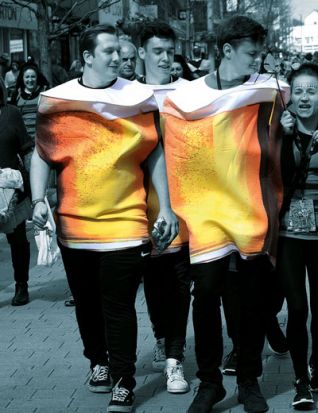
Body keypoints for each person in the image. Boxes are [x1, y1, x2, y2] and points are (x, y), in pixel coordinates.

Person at [30, 24, 178, 413]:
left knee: (118, 304)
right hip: (75, 224)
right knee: (86, 302)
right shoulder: (57, 99)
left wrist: (166, 206)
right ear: (88, 57)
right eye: (109, 51)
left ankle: (124, 381)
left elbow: (155, 153)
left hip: (126, 223)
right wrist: (37, 200)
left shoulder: (139, 97)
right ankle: (97, 360)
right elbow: (42, 153)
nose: (118, 58)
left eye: (120, 51)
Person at [161, 15, 288, 413]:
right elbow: (171, 151)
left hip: (250, 211)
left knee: (249, 301)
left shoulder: (266, 91)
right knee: (206, 297)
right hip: (203, 215)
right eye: (251, 53)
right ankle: (210, 382)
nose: (257, 61)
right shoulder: (184, 98)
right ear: (226, 50)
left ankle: (249, 380)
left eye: (260, 53)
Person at [273, 62, 318, 410]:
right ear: (290, 96)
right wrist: (283, 138)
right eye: (298, 91)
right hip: (290, 233)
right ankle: (300, 379)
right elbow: (275, 174)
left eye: (311, 91)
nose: (304, 97)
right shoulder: (280, 130)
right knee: (298, 307)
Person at [137, 21, 192, 395]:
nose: (164, 58)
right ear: (141, 53)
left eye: (169, 51)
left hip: (186, 203)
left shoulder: (190, 93)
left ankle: (175, 357)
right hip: (138, 204)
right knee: (155, 283)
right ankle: (163, 338)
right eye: (156, 51)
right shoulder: (127, 95)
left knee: (181, 282)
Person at [0, 78, 33, 307]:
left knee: (18, 239)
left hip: (12, 187)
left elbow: (27, 149)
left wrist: (35, 189)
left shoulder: (11, 113)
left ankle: (22, 284)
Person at [10, 63, 48, 140]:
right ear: (22, 78)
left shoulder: (45, 92)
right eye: (27, 77)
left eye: (33, 77)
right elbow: (12, 118)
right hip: (24, 139)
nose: (30, 80)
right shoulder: (17, 94)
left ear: (37, 78)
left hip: (42, 139)